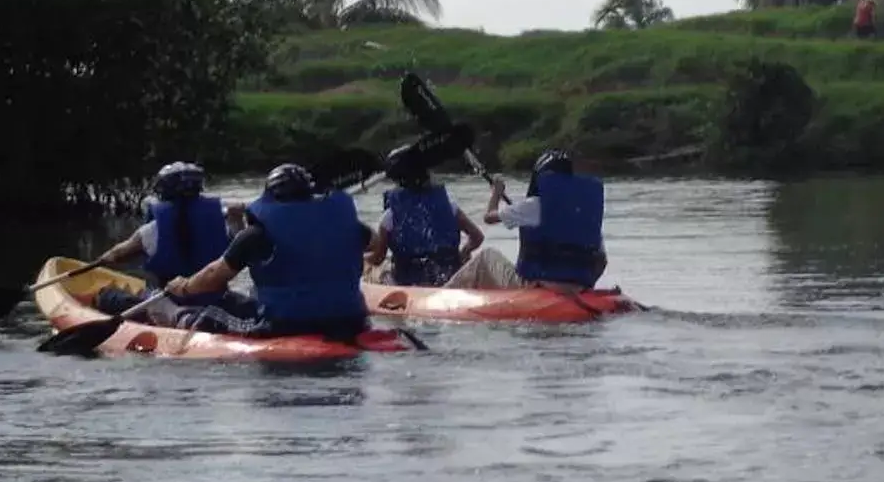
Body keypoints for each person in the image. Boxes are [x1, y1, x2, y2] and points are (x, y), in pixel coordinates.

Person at [158, 162, 371, 340]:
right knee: (248, 299)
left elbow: (214, 276)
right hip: (353, 321)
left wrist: (184, 287)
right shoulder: (346, 225)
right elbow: (377, 248)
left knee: (209, 315)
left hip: (287, 325)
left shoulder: (256, 233)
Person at [90, 162, 242, 326]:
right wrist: (237, 219)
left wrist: (100, 261)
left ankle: (180, 317)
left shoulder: (153, 230)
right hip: (216, 300)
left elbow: (117, 255)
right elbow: (240, 243)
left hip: (171, 301)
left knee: (106, 296)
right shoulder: (221, 223)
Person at [483, 148, 609, 291]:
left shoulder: (534, 205)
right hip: (579, 289)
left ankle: (452, 295)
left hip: (539, 287)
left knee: (486, 257)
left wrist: (496, 193)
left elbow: (489, 217)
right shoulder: (584, 217)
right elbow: (602, 262)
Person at [366, 143, 485, 286]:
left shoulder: (389, 216)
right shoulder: (450, 207)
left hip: (409, 282)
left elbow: (379, 257)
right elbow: (477, 237)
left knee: (378, 270)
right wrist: (464, 252)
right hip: (448, 275)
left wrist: (361, 261)